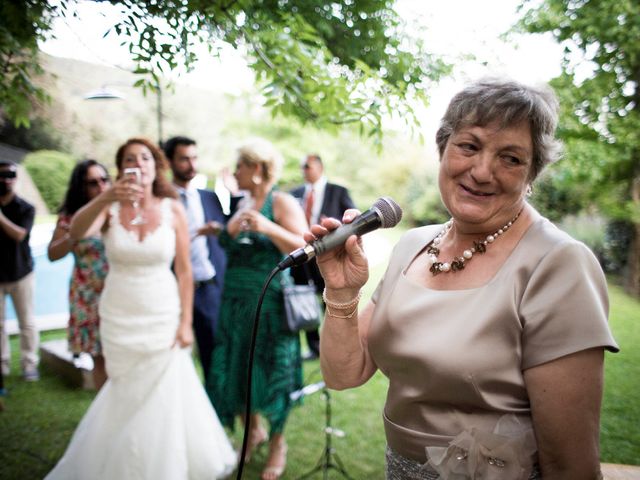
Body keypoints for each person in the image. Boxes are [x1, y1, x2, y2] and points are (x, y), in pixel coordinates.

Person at [313, 79, 619, 479]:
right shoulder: (414, 245)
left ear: (532, 176)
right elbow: (344, 374)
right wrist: (342, 291)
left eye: (510, 158)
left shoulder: (559, 264)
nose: (481, 171)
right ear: (444, 149)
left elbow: (570, 465)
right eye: (469, 146)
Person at [46, 138, 236, 479]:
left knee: (163, 390)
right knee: (125, 391)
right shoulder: (109, 209)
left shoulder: (172, 208)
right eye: (130, 159)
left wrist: (185, 322)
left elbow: (184, 271)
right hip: (119, 313)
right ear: (120, 169)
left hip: (162, 312)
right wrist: (106, 195)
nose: (139, 164)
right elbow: (75, 232)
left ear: (156, 165)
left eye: (146, 157)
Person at [206, 138, 307, 480]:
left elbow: (306, 244)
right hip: (234, 302)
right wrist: (228, 230)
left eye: (240, 166)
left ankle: (278, 443)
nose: (235, 172)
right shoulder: (243, 201)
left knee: (273, 371)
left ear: (258, 168)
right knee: (237, 369)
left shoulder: (281, 201)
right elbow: (229, 243)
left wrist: (267, 227)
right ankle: (252, 432)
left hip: (269, 302)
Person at [164, 136, 233, 381]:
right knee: (171, 355)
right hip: (171, 289)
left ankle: (214, 411)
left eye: (194, 158)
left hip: (208, 288)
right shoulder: (161, 200)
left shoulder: (209, 197)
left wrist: (233, 194)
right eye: (184, 159)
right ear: (169, 162)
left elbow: (231, 231)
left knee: (213, 355)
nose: (192, 165)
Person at [47, 159, 111, 390]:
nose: (100, 186)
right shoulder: (71, 217)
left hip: (117, 290)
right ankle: (104, 411)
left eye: (104, 180)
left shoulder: (117, 210)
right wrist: (72, 236)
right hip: (87, 295)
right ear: (81, 186)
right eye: (92, 183)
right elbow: (53, 254)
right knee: (98, 356)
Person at [290, 154, 356, 360]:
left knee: (330, 299)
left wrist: (333, 223)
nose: (304, 170)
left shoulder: (338, 191)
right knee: (303, 299)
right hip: (302, 256)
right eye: (302, 167)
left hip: (328, 253)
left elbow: (352, 222)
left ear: (319, 166)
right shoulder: (295, 193)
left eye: (307, 166)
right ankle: (314, 347)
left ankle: (334, 345)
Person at [0, 160, 39, 382]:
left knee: (27, 322)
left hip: (21, 273)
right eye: (1, 175)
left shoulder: (26, 208)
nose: (5, 180)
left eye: (10, 175)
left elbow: (19, 235)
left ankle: (29, 364)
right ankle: (1, 365)